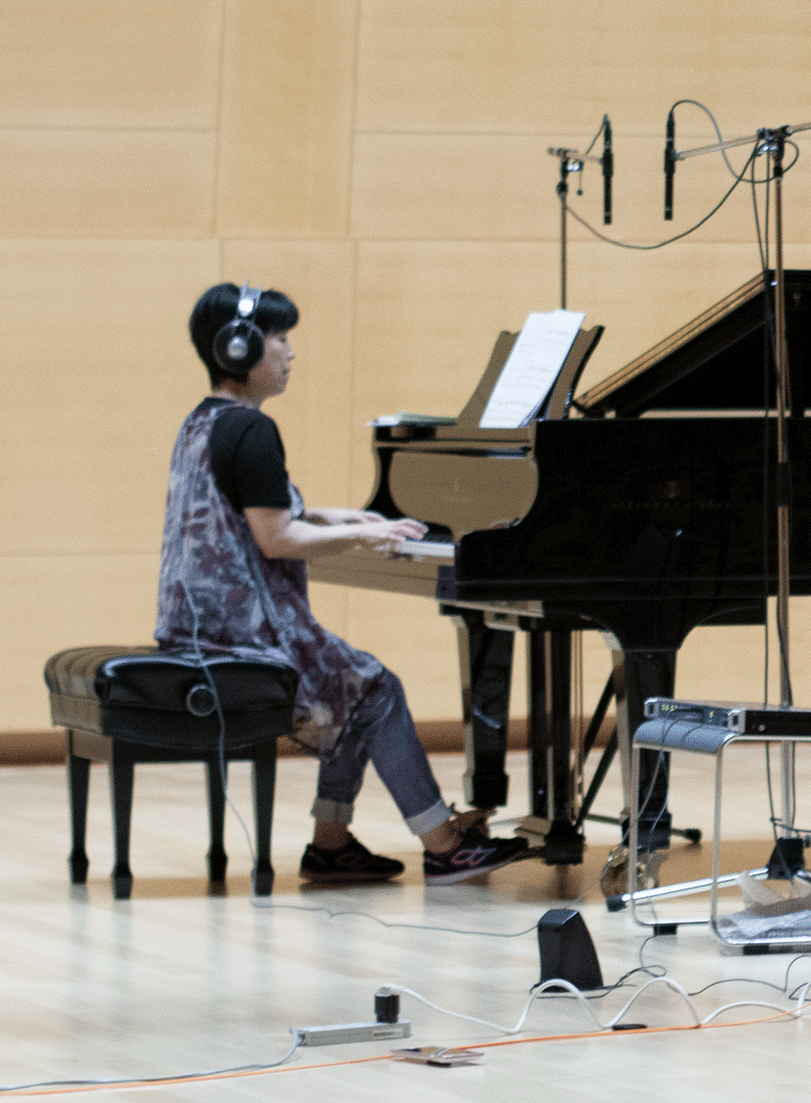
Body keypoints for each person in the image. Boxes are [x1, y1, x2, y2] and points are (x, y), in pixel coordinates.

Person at [154, 282, 533, 885]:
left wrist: (343, 517)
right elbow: (276, 539)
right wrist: (364, 538)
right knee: (375, 687)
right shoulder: (251, 431)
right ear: (241, 348)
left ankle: (331, 846)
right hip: (245, 633)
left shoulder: (204, 423)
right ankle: (443, 844)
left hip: (196, 623)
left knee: (351, 688)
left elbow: (256, 509)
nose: (289, 353)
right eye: (281, 339)